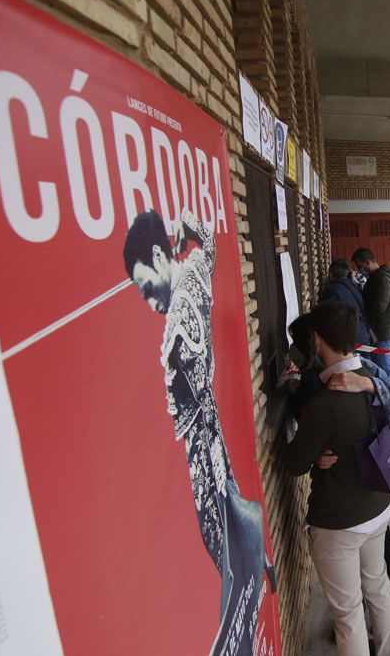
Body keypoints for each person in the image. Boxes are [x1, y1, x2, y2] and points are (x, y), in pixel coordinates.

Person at [124, 210, 273, 656]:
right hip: (216, 433)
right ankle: (256, 565)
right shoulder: (191, 274)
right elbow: (207, 246)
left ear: (157, 255)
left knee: (220, 542)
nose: (148, 299)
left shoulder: (171, 338)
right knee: (234, 523)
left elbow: (191, 387)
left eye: (145, 284)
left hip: (203, 449)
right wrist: (190, 226)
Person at [284, 313, 390, 642]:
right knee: (378, 589)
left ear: (316, 340)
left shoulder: (324, 402)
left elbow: (294, 464)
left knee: (348, 615)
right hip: (377, 508)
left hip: (340, 521)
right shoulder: (370, 374)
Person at [352, 248, 390, 378]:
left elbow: (378, 307)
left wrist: (362, 310)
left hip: (383, 331)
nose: (358, 269)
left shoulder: (382, 279)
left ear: (367, 262)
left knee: (384, 368)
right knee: (378, 366)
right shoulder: (376, 277)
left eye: (359, 265)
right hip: (380, 328)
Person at [320, 259, 372, 349]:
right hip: (363, 334)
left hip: (349, 338)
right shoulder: (353, 285)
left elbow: (326, 314)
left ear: (331, 274)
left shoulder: (331, 290)